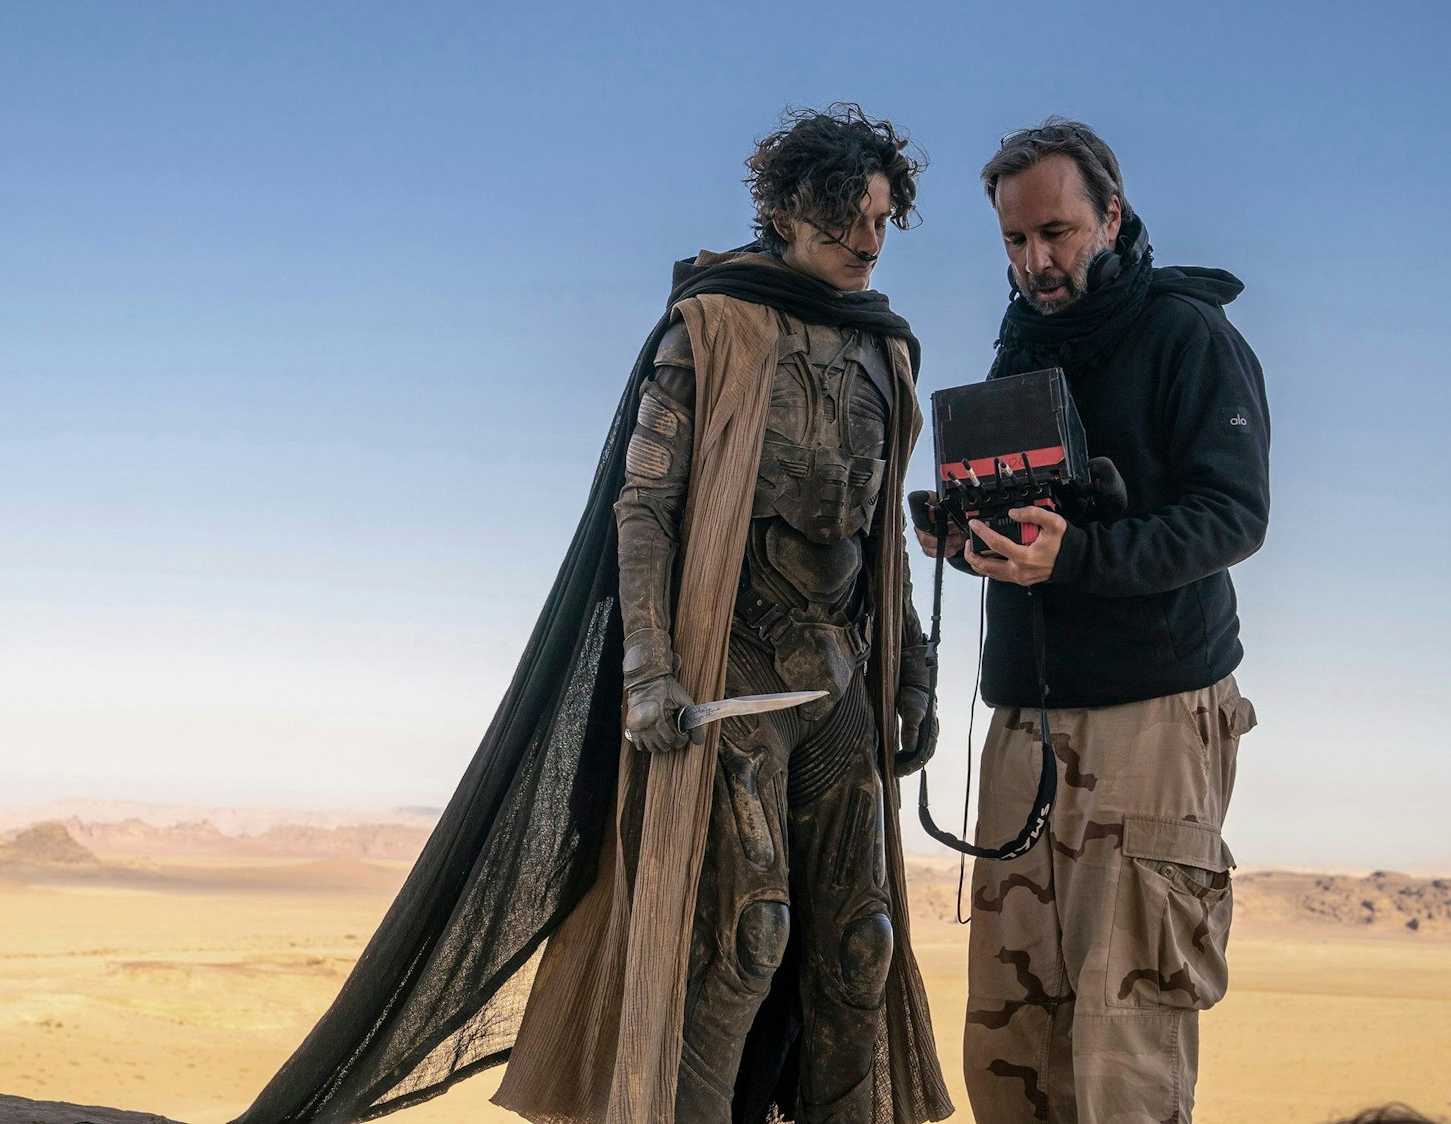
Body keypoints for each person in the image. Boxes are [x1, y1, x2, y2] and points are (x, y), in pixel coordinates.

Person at [239, 105, 954, 1124]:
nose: (870, 239)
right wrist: (651, 670)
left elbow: (880, 533)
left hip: (841, 667)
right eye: (850, 215)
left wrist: (913, 668)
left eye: (884, 218)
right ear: (788, 210)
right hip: (732, 667)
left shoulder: (887, 349)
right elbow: (647, 505)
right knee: (742, 937)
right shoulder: (712, 324)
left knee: (859, 945)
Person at [914, 118, 1270, 1123]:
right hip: (1026, 720)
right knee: (1012, 1042)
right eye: (1015, 242)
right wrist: (966, 531)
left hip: (1151, 718)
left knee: (1126, 1050)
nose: (1036, 262)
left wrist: (1078, 556)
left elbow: (1232, 514)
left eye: (1058, 233)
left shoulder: (1186, 332)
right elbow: (1036, 501)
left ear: (1109, 214)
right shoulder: (1019, 342)